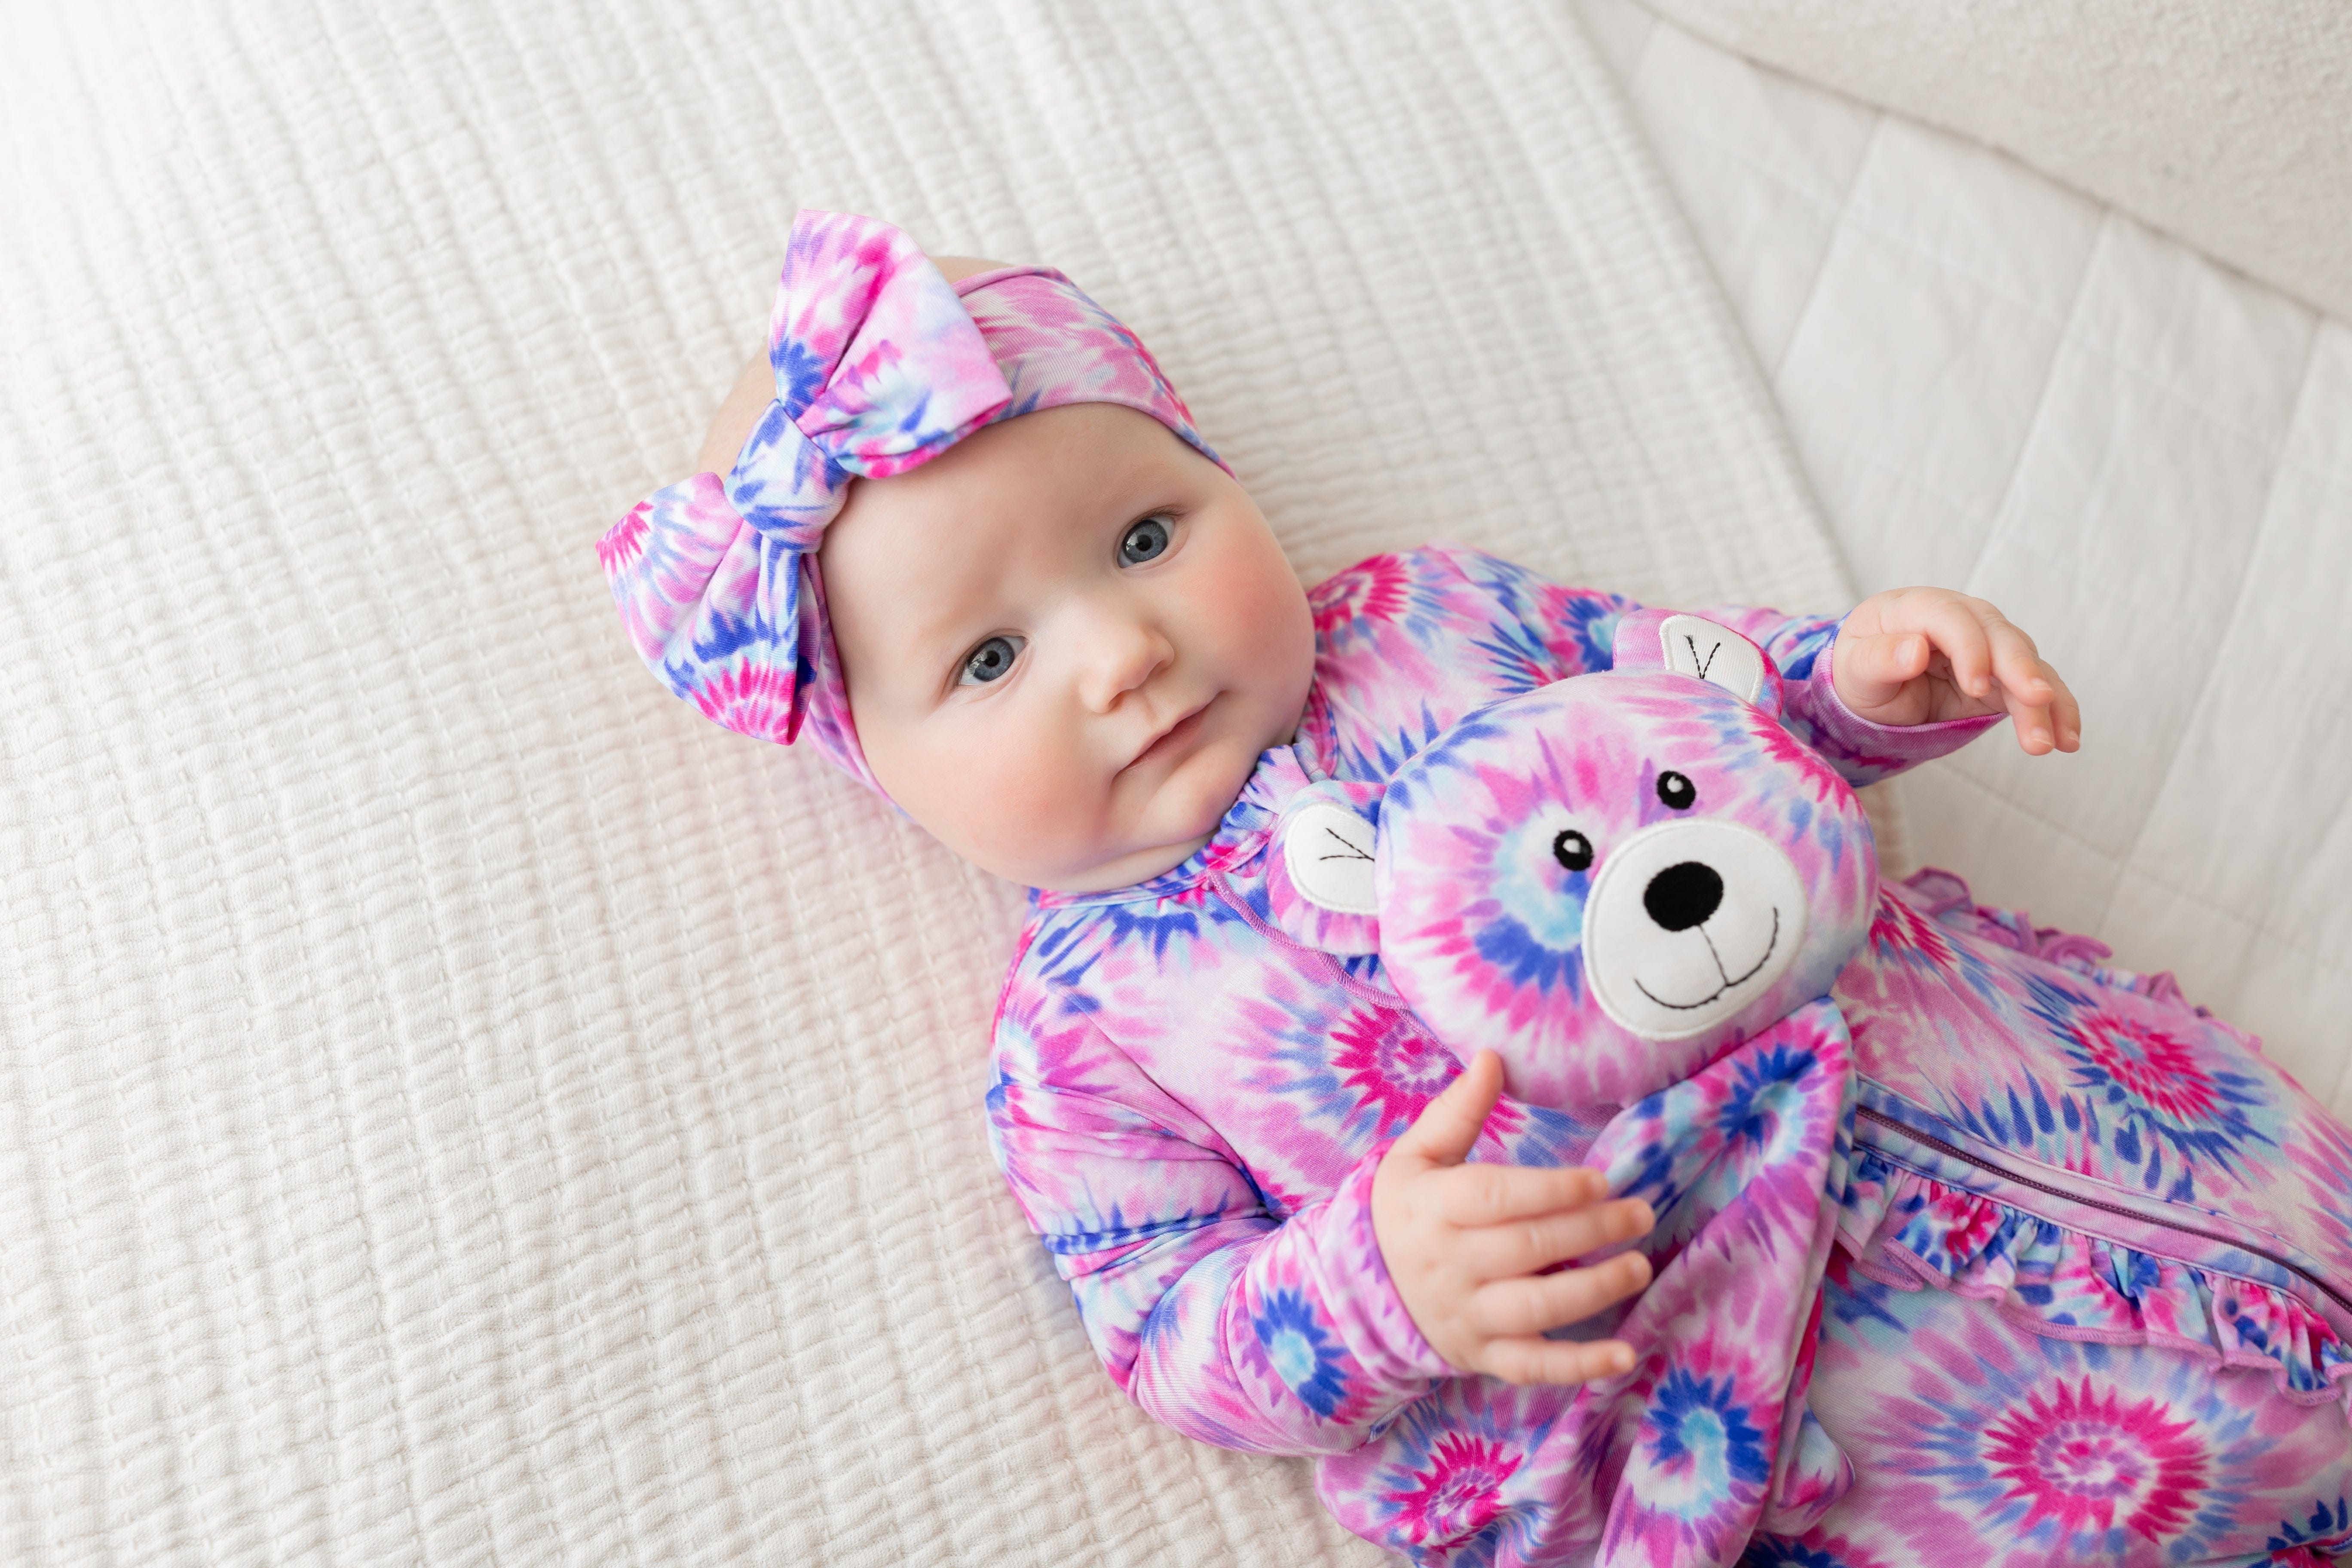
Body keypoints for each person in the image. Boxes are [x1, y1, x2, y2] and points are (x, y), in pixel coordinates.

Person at [600, 209, 2352, 1565]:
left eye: (1145, 538)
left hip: (2066, 1121)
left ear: (1221, 476)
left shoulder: (1435, 625)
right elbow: (1173, 1334)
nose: (1121, 652)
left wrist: (1854, 684)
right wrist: (1372, 1285)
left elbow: (1699, 696)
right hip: (1817, 1421)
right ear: (877, 770)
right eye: (987, 661)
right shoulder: (1088, 1038)